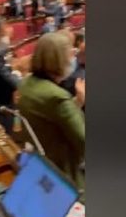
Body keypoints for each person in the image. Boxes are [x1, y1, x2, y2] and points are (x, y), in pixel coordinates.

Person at [16, 32, 85, 196]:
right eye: (70, 56)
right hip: (63, 172)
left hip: (39, 162)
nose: (72, 61)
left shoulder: (26, 83)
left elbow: (52, 118)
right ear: (60, 60)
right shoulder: (58, 97)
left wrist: (77, 102)